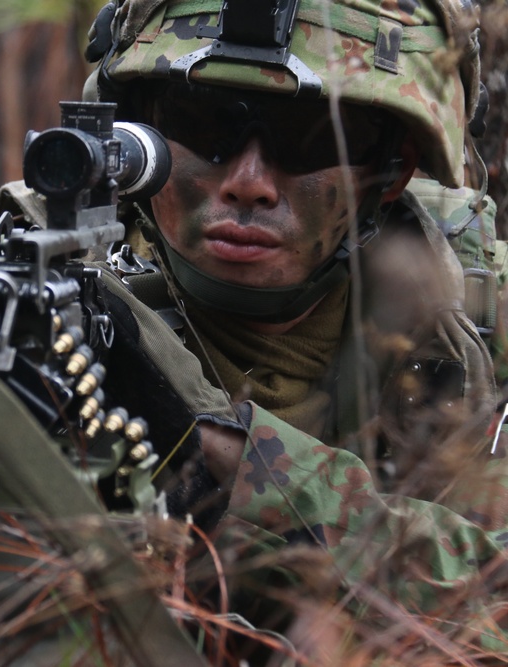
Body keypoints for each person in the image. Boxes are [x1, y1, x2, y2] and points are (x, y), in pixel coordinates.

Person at [29, 0, 508, 658]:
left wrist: (232, 464)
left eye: (309, 135)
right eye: (204, 123)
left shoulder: (473, 318)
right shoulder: (31, 282)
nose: (248, 184)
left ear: (391, 169)